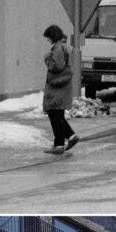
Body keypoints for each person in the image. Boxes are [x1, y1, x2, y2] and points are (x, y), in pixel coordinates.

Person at [42, 25, 79, 155]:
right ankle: (63, 141)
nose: (48, 40)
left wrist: (47, 57)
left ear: (53, 36)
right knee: (57, 114)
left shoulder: (58, 48)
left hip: (57, 87)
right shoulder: (63, 47)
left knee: (55, 114)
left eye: (48, 38)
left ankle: (64, 141)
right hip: (62, 87)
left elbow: (56, 66)